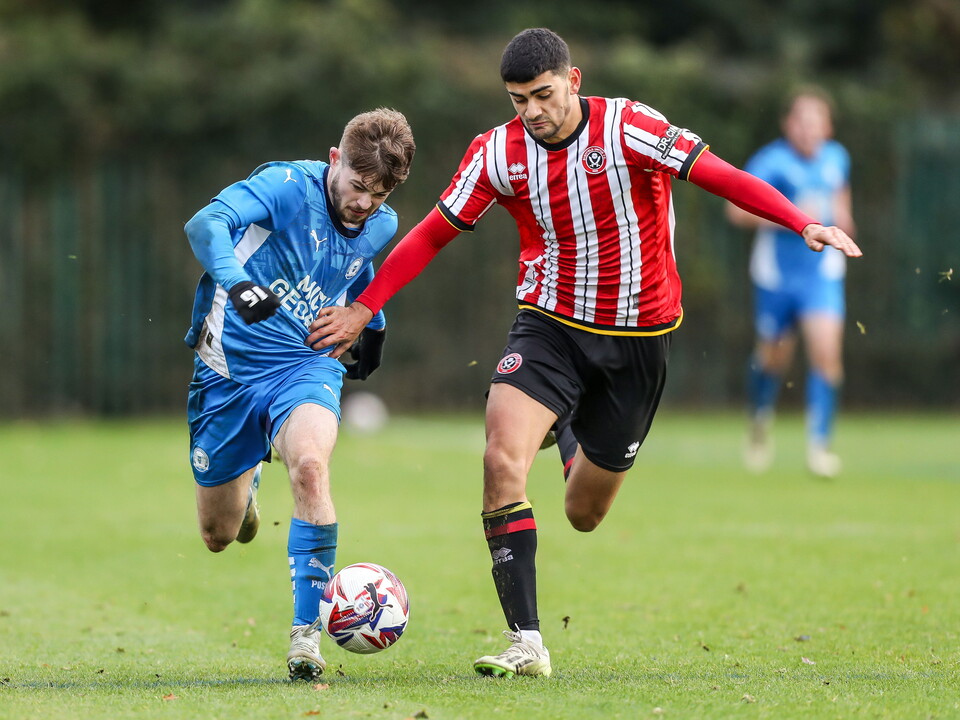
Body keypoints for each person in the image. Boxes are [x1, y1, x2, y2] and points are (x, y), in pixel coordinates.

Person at [307, 29, 862, 678]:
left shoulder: (631, 128)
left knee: (584, 512)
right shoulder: (497, 153)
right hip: (549, 326)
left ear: (574, 80)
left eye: (543, 95)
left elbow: (721, 176)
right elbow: (432, 234)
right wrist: (363, 307)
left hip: (638, 342)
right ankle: (526, 642)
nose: (532, 111)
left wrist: (804, 222)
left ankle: (565, 422)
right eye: (518, 100)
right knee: (500, 457)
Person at [183, 108, 415, 681]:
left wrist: (373, 325)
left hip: (306, 365)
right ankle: (250, 476)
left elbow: (356, 274)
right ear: (336, 160)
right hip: (227, 374)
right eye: (358, 186)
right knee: (219, 534)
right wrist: (238, 285)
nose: (365, 203)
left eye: (379, 195)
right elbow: (203, 225)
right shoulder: (285, 187)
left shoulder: (382, 225)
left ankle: (305, 636)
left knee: (310, 465)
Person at [726, 88, 856, 478]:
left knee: (826, 355)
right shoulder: (771, 161)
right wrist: (795, 220)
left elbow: (843, 207)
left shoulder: (837, 158)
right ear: (788, 124)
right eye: (801, 120)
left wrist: (843, 223)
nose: (808, 128)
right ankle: (759, 423)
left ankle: (820, 446)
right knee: (772, 359)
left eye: (816, 121)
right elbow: (736, 211)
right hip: (776, 275)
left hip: (822, 274)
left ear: (828, 127)